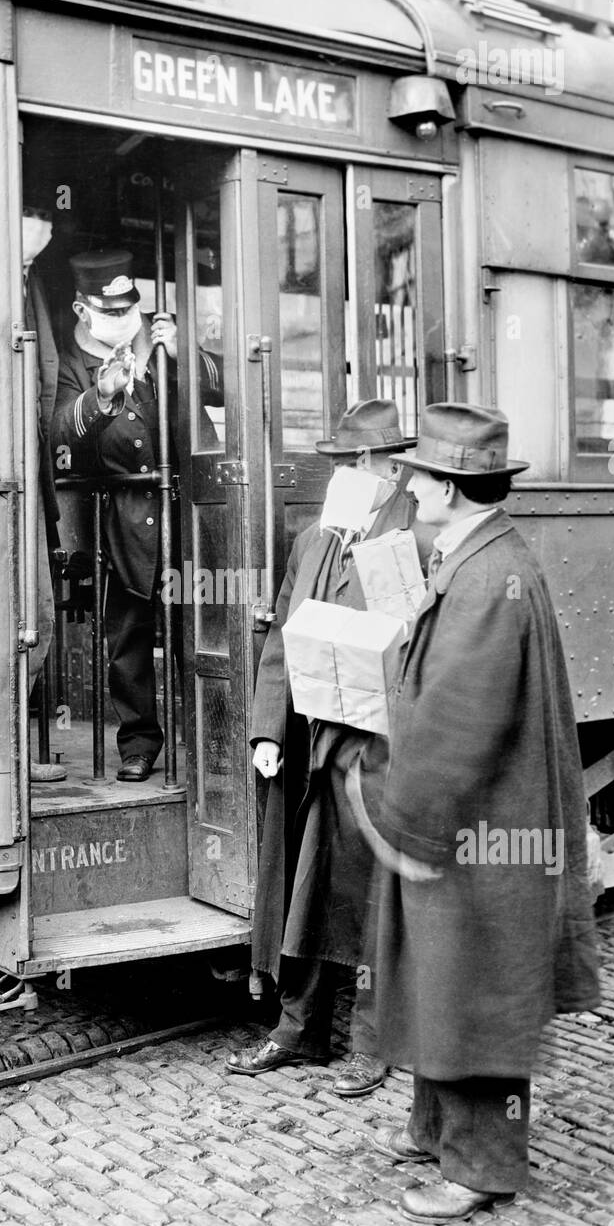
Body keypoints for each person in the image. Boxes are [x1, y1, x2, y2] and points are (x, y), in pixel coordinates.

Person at [351, 401, 601, 1224]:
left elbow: (460, 720)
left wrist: (405, 819)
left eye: (417, 472)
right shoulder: (482, 556)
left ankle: (480, 1169)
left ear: (450, 488)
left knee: (479, 994)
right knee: (446, 981)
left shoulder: (488, 576)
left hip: (476, 831)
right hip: (476, 824)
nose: (407, 483)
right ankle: (434, 1130)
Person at [225, 399, 433, 1095]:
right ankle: (297, 1028)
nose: (340, 473)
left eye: (353, 462)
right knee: (304, 889)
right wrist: (264, 730)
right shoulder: (316, 536)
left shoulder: (416, 538)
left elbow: (421, 651)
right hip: (309, 742)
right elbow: (284, 635)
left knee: (377, 893)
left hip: (376, 748)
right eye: (338, 462)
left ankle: (375, 1039)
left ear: (390, 467)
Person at [51, 248, 218, 781]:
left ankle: (210, 738)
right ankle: (139, 744)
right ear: (83, 311)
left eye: (129, 310)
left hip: (189, 515)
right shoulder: (75, 363)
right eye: (111, 312)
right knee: (128, 643)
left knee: (201, 633)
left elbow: (223, 387)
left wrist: (182, 354)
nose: (124, 320)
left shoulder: (161, 341)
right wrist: (101, 395)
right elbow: (60, 437)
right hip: (125, 519)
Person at [22, 203, 66, 780]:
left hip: (28, 460)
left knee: (40, 613)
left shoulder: (30, 277)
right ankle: (7, 753)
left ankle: (10, 750)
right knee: (31, 612)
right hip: (10, 458)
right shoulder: (9, 273)